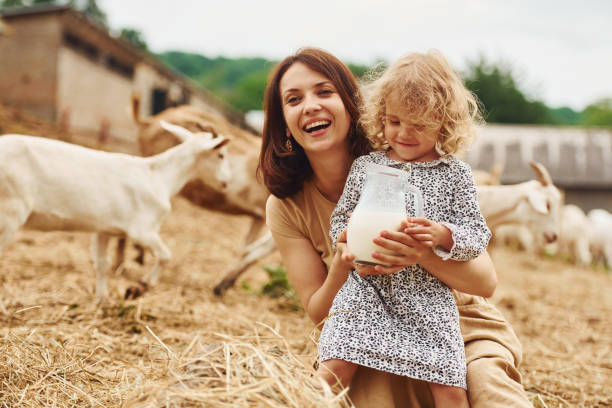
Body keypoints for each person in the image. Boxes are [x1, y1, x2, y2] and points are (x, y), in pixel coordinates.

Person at [259, 47, 532, 407]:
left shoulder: (413, 156)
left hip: (454, 321)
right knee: (343, 387)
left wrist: (423, 252)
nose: (310, 105)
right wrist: (344, 262)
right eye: (294, 99)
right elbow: (318, 309)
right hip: (371, 317)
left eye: (324, 92)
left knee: (490, 394)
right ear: (283, 120)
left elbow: (485, 282)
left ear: (350, 104)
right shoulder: (292, 204)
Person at [317, 50, 491, 407]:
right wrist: (349, 243)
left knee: (451, 389)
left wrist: (444, 235)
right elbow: (341, 219)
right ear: (381, 117)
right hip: (367, 289)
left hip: (429, 297)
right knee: (333, 365)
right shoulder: (367, 167)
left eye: (419, 124)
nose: (404, 133)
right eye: (395, 121)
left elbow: (477, 233)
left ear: (444, 122)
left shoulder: (455, 174)